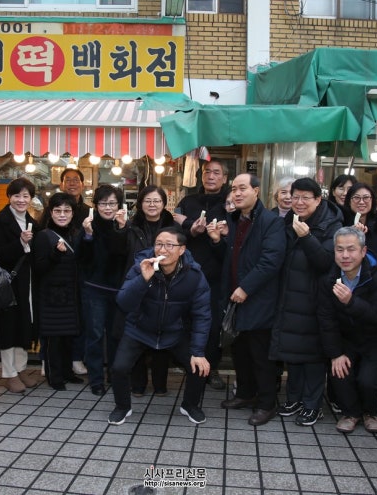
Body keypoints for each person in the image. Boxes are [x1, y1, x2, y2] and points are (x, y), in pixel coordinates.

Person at [108, 227, 211, 425]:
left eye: (169, 245)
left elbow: (202, 315)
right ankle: (122, 406)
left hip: (174, 330)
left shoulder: (194, 275)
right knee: (119, 368)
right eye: (159, 244)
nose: (162, 250)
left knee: (199, 366)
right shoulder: (141, 266)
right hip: (139, 329)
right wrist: (143, 279)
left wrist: (198, 352)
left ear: (182, 249)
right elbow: (123, 303)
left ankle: (190, 405)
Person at [207, 173, 285, 426]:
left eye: (242, 188)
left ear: (256, 191)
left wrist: (246, 288)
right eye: (234, 189)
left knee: (261, 355)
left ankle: (267, 404)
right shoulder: (235, 219)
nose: (237, 193)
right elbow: (232, 257)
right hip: (235, 297)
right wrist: (218, 241)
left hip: (258, 299)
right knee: (240, 352)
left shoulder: (271, 222)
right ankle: (245, 394)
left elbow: (271, 261)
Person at [270, 178, 342, 427]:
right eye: (295, 197)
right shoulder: (288, 220)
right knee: (293, 351)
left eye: (305, 198)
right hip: (289, 295)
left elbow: (325, 263)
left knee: (313, 355)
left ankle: (313, 405)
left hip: (315, 298)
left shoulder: (331, 224)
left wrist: (307, 237)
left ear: (318, 199)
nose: (299, 202)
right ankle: (294, 399)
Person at [317, 227, 377, 434]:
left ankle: (371, 412)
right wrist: (335, 353)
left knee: (367, 380)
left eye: (351, 249)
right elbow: (326, 319)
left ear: (363, 251)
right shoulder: (328, 279)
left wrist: (351, 301)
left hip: (376, 338)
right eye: (340, 249)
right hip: (346, 338)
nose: (345, 255)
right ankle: (351, 413)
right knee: (340, 373)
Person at [173, 159, 229, 390]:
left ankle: (212, 367)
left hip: (218, 274)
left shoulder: (230, 204)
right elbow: (174, 233)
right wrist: (191, 230)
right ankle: (190, 365)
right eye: (207, 172)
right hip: (187, 272)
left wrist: (191, 224)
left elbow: (232, 237)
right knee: (186, 320)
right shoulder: (188, 201)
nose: (211, 176)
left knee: (213, 325)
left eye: (216, 172)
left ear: (224, 178)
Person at [118, 185, 175, 396]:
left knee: (162, 334)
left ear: (164, 203)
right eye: (147, 200)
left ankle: (160, 384)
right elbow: (119, 252)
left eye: (157, 200)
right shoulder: (130, 226)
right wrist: (121, 229)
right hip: (138, 284)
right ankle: (138, 384)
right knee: (137, 334)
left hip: (166, 286)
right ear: (140, 204)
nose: (152, 204)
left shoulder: (173, 227)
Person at [0, 177, 41, 394]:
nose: (21, 200)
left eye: (25, 196)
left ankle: (21, 369)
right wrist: (20, 243)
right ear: (9, 197)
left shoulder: (33, 222)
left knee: (23, 326)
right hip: (8, 284)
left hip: (27, 283)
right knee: (8, 327)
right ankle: (9, 373)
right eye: (16, 195)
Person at [79, 184, 128, 396]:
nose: (108, 208)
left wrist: (122, 229)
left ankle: (114, 375)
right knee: (95, 335)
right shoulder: (89, 225)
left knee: (116, 335)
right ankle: (96, 379)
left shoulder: (124, 226)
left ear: (119, 205)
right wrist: (88, 235)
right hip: (94, 289)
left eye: (112, 203)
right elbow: (82, 259)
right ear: (95, 205)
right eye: (103, 203)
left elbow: (124, 254)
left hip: (118, 290)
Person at [34, 193, 85, 390]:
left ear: (73, 213)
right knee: (53, 339)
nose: (62, 215)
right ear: (50, 212)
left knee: (68, 337)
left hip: (71, 295)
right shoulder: (43, 236)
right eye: (58, 210)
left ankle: (67, 372)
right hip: (51, 297)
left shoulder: (76, 234)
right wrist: (55, 254)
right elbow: (39, 268)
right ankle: (54, 376)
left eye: (66, 211)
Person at [59, 167, 91, 376]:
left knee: (81, 314)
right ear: (61, 184)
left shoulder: (89, 211)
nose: (72, 183)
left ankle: (77, 357)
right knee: (58, 314)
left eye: (76, 180)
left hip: (83, 270)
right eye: (68, 180)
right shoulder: (54, 206)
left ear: (82, 184)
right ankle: (51, 359)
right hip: (58, 268)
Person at [343, 182, 377, 260]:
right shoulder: (341, 221)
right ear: (349, 201)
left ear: (372, 200)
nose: (361, 202)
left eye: (366, 197)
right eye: (356, 197)